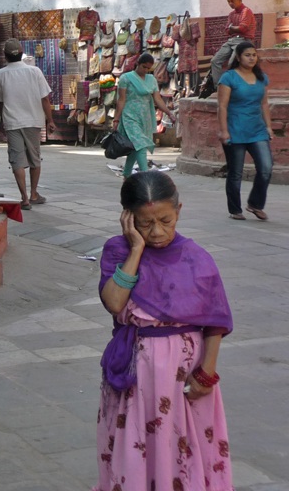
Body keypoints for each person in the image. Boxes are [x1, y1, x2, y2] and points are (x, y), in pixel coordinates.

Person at [95, 171, 234, 491]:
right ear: (128, 219)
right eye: (146, 223)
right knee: (139, 443)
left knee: (184, 446)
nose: (157, 231)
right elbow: (115, 303)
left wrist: (207, 373)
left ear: (179, 211)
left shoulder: (196, 257)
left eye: (166, 220)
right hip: (138, 373)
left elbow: (216, 320)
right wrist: (135, 249)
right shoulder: (118, 251)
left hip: (184, 374)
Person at [0, 39, 56, 209]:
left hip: (12, 122)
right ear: (21, 53)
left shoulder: (0, 74)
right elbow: (45, 98)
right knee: (35, 158)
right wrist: (50, 120)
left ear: (5, 56)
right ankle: (34, 193)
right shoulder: (34, 71)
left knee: (17, 160)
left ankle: (25, 197)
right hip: (33, 121)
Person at [217, 41, 274, 221]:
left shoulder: (261, 77)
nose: (251, 58)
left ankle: (255, 204)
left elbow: (264, 103)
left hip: (257, 130)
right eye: (247, 55)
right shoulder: (229, 77)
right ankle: (235, 209)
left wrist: (269, 126)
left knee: (266, 168)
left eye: (254, 55)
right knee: (236, 172)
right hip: (235, 131)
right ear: (239, 57)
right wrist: (224, 131)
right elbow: (222, 106)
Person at [112, 53, 175, 178]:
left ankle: (126, 174)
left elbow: (158, 99)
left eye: (148, 68)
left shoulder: (151, 79)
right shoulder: (126, 78)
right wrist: (116, 119)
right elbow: (121, 100)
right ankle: (146, 176)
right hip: (129, 116)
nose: (146, 70)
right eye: (144, 67)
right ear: (137, 64)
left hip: (145, 116)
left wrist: (169, 113)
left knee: (136, 147)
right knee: (140, 145)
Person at [202, 0, 256, 98]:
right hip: (233, 40)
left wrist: (232, 28)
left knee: (232, 61)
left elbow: (242, 28)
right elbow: (227, 30)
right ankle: (220, 89)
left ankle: (233, 88)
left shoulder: (246, 11)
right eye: (228, 1)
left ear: (239, 0)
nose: (230, 4)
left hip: (244, 40)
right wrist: (233, 29)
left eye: (232, 1)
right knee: (215, 61)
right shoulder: (231, 14)